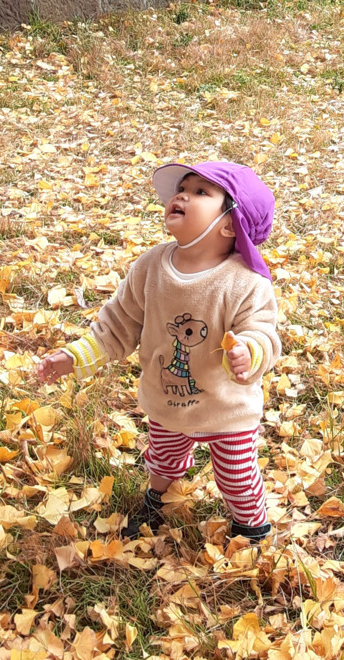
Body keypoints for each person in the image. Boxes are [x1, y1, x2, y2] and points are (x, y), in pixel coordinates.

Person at [37, 162, 281, 542]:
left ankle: (251, 525)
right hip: (167, 400)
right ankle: (159, 497)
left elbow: (262, 331)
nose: (181, 195)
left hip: (226, 406)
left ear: (231, 224)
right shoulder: (151, 266)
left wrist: (250, 351)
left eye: (201, 192)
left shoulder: (244, 282)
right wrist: (74, 357)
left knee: (236, 475)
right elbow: (118, 323)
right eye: (182, 187)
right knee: (163, 459)